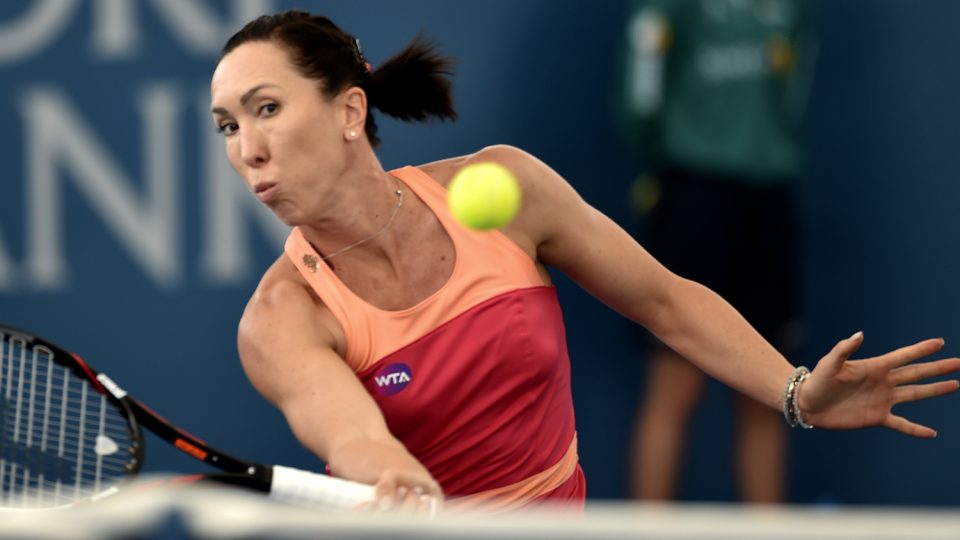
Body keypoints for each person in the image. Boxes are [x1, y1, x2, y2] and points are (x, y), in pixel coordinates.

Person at [209, 10, 960, 513]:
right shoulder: (281, 320)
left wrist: (795, 392)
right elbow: (351, 436)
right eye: (227, 126)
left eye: (267, 108)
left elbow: (665, 301)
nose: (248, 150)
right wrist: (388, 471)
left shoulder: (503, 187)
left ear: (349, 110)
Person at [617, 0, 814, 502]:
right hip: (692, 195)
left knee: (773, 390)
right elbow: (641, 84)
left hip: (768, 194)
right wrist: (671, 148)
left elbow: (795, 82)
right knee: (675, 386)